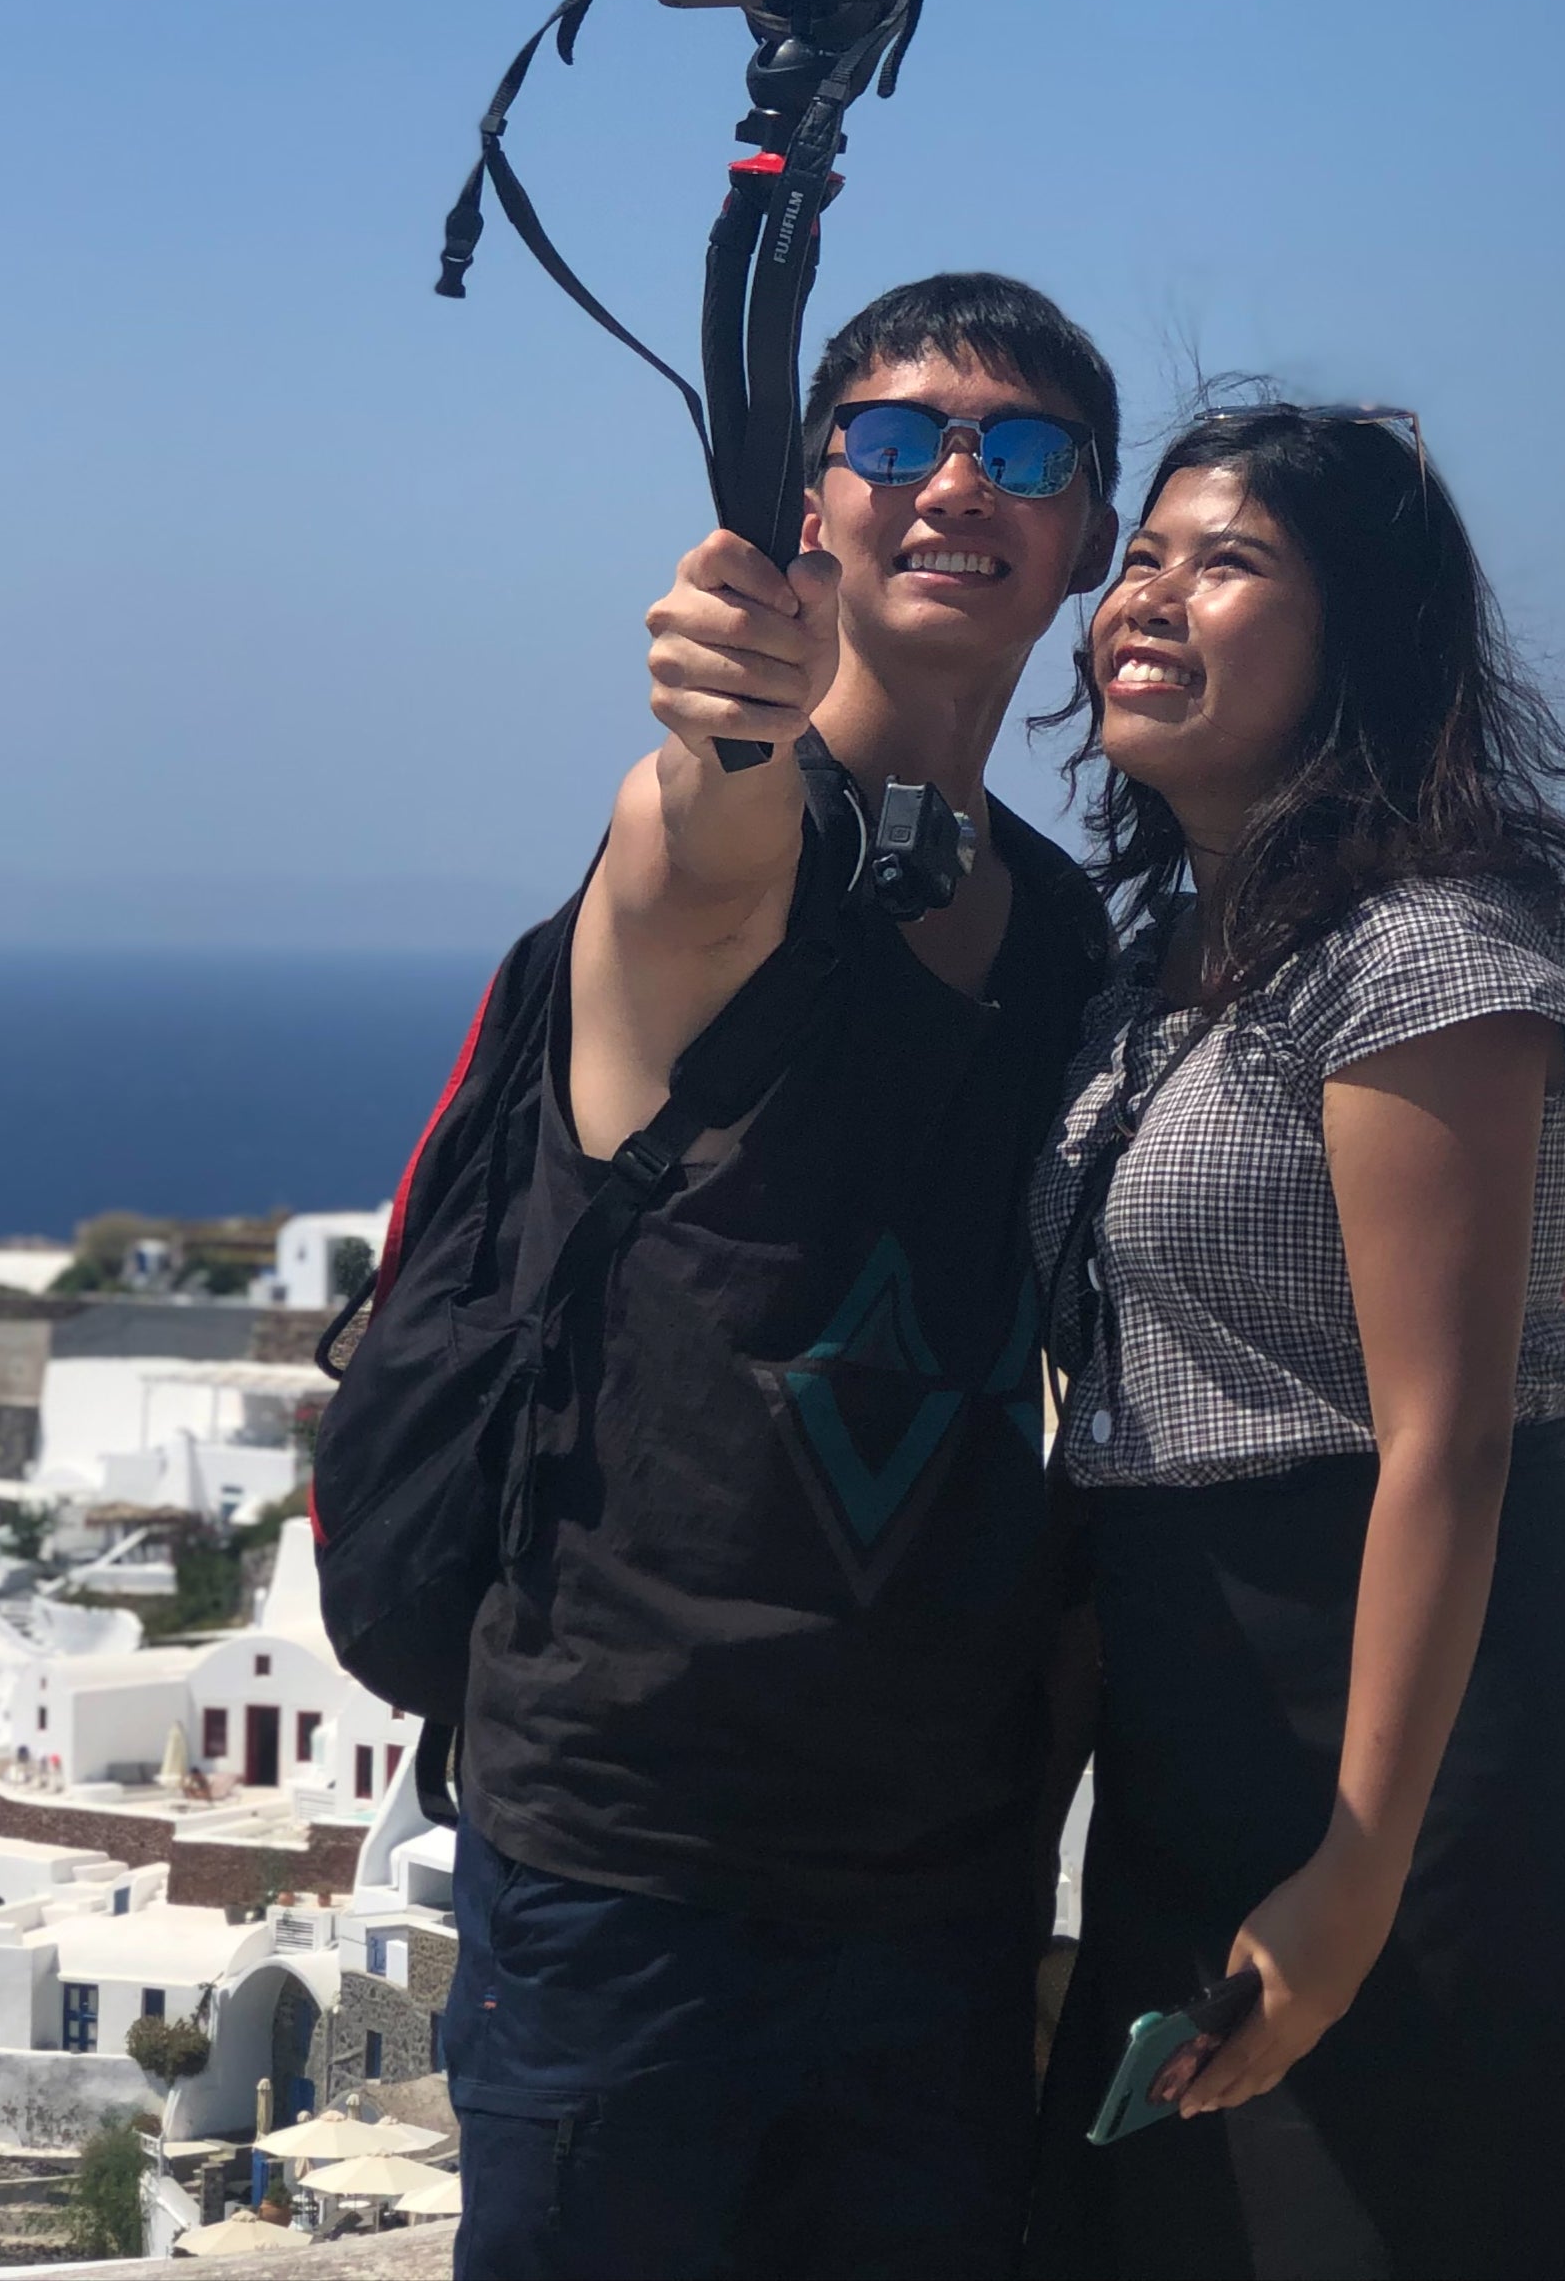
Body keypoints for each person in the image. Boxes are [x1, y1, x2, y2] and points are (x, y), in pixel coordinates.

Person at [442, 274, 1124, 2279]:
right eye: (896, 437)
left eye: (1021, 451)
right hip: (634, 1859)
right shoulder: (703, 844)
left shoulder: (1069, 933)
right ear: (811, 502)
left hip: (936, 1875)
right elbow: (707, 817)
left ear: (1082, 540)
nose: (951, 483)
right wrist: (731, 711)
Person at [1026, 404, 1565, 2278]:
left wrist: (1353, 1870)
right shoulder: (1151, 969)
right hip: (1196, 1718)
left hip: (1408, 1719)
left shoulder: (1421, 948)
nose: (1148, 599)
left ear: (1364, 640)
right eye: (1141, 558)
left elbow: (1449, 1432)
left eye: (1227, 562)